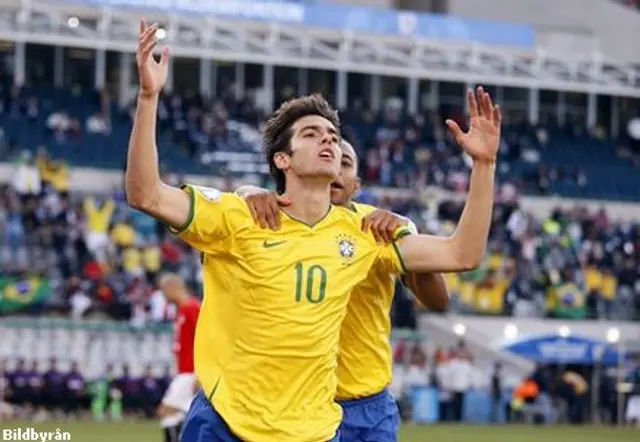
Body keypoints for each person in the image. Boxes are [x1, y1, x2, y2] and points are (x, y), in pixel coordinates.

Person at [126, 18, 499, 442]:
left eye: (334, 137)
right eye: (311, 133)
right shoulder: (239, 215)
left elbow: (462, 256)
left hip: (319, 427)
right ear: (282, 160)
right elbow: (146, 195)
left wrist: (484, 166)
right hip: (228, 422)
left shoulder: (365, 232)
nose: (330, 143)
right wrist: (148, 96)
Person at [237, 140, 449, 442]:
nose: (334, 169)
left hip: (364, 406)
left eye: (345, 163)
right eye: (326, 160)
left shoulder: (377, 229)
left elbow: (438, 301)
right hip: (293, 404)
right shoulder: (272, 219)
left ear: (356, 184)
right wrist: (246, 191)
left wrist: (410, 232)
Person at [156, 273, 201, 442]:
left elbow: (203, 338)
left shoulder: (192, 308)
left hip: (190, 372)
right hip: (185, 371)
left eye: (163, 291)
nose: (163, 295)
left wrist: (199, 372)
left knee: (167, 410)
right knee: (176, 413)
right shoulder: (183, 310)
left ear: (173, 288)